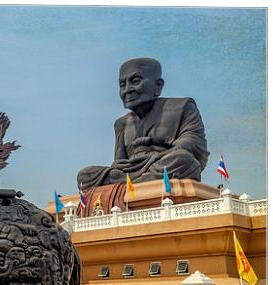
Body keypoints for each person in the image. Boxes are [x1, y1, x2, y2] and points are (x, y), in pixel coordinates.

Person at [77, 57, 209, 191]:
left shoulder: (182, 107)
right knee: (85, 175)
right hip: (131, 172)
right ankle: (137, 184)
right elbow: (118, 164)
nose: (127, 90)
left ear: (158, 85)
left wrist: (153, 158)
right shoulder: (121, 123)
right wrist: (123, 168)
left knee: (182, 159)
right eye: (122, 85)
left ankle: (131, 186)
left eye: (135, 81)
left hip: (162, 165)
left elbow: (193, 144)